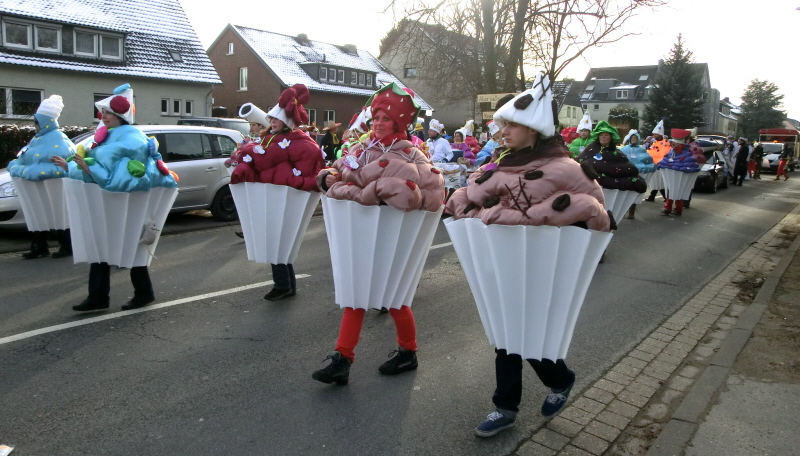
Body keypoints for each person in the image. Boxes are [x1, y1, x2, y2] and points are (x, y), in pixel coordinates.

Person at [444, 73, 611, 437]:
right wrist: (459, 205)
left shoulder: (567, 168)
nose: (502, 131)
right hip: (501, 261)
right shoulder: (499, 162)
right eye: (502, 124)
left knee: (529, 334)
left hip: (539, 267)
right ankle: (507, 408)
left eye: (512, 125)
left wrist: (563, 220)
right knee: (507, 336)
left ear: (533, 129)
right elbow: (470, 194)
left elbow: (597, 210)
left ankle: (557, 380)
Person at [311, 82, 445, 386]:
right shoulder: (360, 149)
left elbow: (430, 192)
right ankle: (342, 359)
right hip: (359, 232)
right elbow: (335, 172)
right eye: (376, 118)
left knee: (395, 297)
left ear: (399, 123)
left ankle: (408, 353)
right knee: (356, 295)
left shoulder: (413, 154)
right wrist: (329, 178)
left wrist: (369, 190)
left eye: (386, 119)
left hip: (392, 236)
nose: (379, 124)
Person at [52, 83, 178, 311]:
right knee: (101, 247)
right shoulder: (106, 137)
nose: (103, 116)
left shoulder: (132, 139)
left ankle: (143, 293)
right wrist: (69, 167)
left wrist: (90, 169)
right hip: (105, 201)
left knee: (130, 246)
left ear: (121, 114)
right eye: (103, 112)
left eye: (108, 112)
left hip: (127, 203)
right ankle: (98, 297)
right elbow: (93, 166)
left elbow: (121, 177)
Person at [229, 86, 325, 301]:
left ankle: (283, 285)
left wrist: (249, 154)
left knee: (278, 239)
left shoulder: (295, 142)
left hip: (283, 194)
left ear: (287, 121)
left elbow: (266, 160)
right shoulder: (271, 138)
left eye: (276, 119)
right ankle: (286, 284)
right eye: (271, 118)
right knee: (278, 239)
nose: (272, 121)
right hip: (271, 193)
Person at [7, 95, 74, 259]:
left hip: (52, 181)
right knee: (37, 212)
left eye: (36, 122)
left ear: (44, 122)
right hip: (36, 180)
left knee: (58, 211)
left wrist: (29, 169)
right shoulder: (40, 138)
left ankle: (66, 244)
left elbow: (57, 156)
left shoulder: (56, 138)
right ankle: (39, 245)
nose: (34, 126)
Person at [657, 128, 705, 216]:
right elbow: (666, 160)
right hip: (671, 175)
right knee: (670, 191)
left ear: (680, 143)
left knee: (679, 191)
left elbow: (690, 162)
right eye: (673, 142)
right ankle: (667, 208)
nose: (673, 144)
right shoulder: (671, 151)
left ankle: (678, 209)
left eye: (675, 142)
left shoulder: (687, 152)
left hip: (680, 176)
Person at [620, 129, 656, 219]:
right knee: (625, 193)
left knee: (634, 193)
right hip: (626, 175)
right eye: (632, 137)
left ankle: (631, 212)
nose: (633, 139)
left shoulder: (641, 149)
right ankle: (624, 211)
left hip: (637, 175)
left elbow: (647, 159)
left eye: (635, 138)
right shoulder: (624, 149)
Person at [644, 120, 671, 202]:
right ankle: (654, 196)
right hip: (653, 165)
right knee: (656, 182)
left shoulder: (665, 143)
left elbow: (664, 153)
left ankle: (665, 197)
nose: (654, 136)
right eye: (654, 134)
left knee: (660, 183)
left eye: (656, 134)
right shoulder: (654, 143)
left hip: (661, 165)